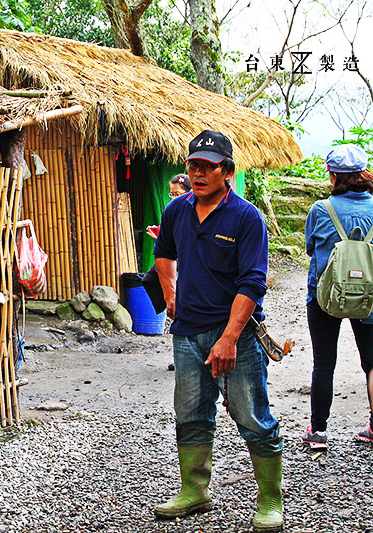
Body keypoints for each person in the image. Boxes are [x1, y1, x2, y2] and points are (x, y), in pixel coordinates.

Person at [153, 130, 283, 532]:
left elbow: (252, 283)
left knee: (252, 417)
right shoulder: (177, 210)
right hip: (188, 333)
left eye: (208, 166)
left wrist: (228, 337)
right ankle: (195, 491)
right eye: (193, 165)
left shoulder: (246, 217)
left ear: (227, 171)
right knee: (190, 414)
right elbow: (164, 253)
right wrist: (171, 293)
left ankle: (270, 500)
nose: (198, 173)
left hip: (238, 337)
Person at [301, 144, 373, 449]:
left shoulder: (321, 209)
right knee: (371, 362)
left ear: (332, 176)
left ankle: (318, 432)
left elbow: (309, 248)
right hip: (369, 296)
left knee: (324, 362)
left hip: (325, 295)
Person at [146, 174, 192, 239]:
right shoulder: (172, 214)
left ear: (190, 193)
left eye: (177, 194)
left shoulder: (196, 214)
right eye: (172, 194)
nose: (173, 198)